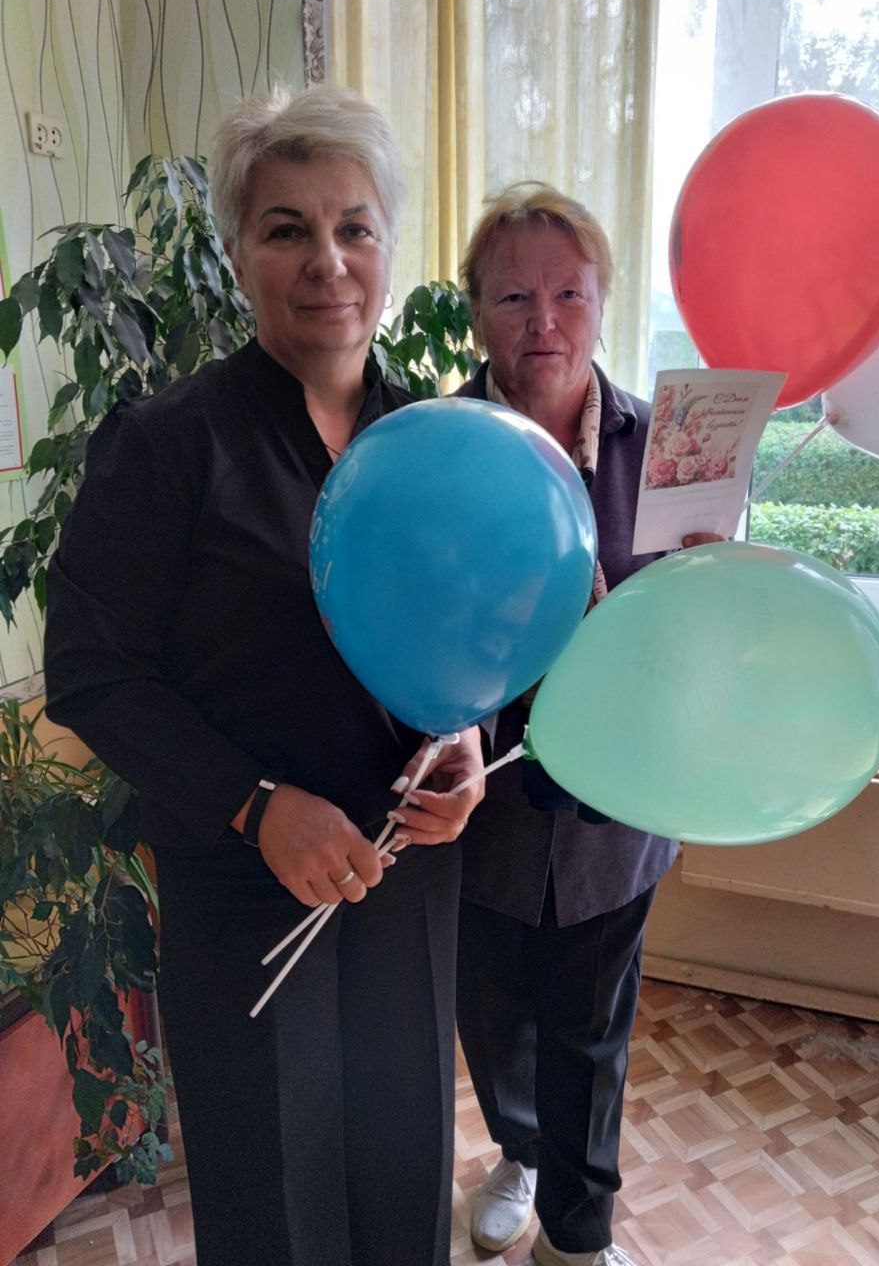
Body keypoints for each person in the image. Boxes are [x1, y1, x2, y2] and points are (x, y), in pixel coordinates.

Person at [43, 84, 485, 1266]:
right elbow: (89, 668)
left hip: (402, 872)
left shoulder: (438, 447)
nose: (326, 261)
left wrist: (468, 735)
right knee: (271, 1196)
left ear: (388, 245)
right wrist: (255, 805)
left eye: (354, 226)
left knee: (402, 1169)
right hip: (243, 882)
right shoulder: (167, 444)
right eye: (287, 228)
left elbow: (475, 637)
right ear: (238, 255)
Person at [454, 183, 719, 1266]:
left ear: (605, 302)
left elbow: (700, 634)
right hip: (480, 806)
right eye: (514, 295)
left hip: (618, 808)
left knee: (592, 1030)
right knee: (493, 1015)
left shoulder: (672, 448)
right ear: (476, 312)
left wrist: (702, 577)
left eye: (569, 292)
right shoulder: (435, 446)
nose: (544, 321)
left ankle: (577, 1225)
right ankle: (518, 1151)